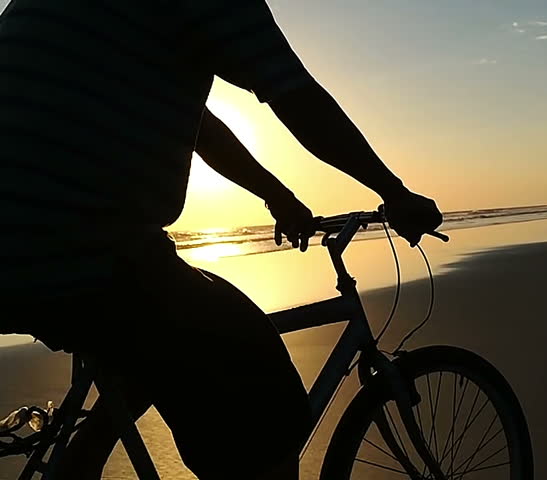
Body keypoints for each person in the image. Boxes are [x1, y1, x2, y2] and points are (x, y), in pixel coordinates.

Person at [0, 1, 443, 479]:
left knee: (154, 334)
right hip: (80, 248)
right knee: (263, 393)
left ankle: (76, 464)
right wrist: (394, 193)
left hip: (21, 244)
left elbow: (201, 129)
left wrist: (278, 195)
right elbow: (295, 94)